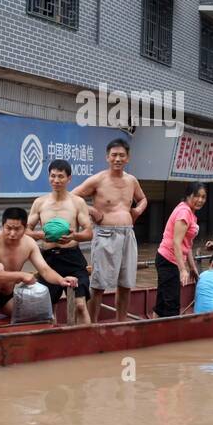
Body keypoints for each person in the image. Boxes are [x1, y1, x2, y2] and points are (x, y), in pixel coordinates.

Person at [72, 138, 147, 323]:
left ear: (128, 158)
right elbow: (72, 196)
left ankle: (120, 323)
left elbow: (143, 199)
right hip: (105, 235)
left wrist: (137, 210)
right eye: (114, 155)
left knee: (126, 284)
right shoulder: (98, 179)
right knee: (98, 284)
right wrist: (92, 211)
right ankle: (93, 324)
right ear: (107, 157)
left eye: (122, 155)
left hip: (128, 235)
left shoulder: (131, 181)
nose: (118, 159)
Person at [0, 207, 78, 315]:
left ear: (25, 228)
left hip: (5, 296)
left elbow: (45, 270)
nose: (12, 233)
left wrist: (61, 280)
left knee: (31, 315)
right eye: (8, 228)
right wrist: (21, 276)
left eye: (17, 229)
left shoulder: (29, 243)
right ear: (2, 226)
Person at [27, 159, 94, 323]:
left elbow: (89, 233)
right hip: (49, 259)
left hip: (72, 258)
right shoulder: (40, 202)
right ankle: (54, 343)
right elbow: (26, 230)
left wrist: (74, 236)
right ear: (49, 177)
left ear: (69, 179)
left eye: (61, 177)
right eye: (53, 176)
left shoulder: (77, 202)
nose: (56, 180)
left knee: (79, 304)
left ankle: (88, 341)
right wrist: (40, 236)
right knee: (49, 308)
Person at [154, 182, 206, 318]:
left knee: (162, 303)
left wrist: (192, 267)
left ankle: (155, 333)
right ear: (188, 196)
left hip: (169, 260)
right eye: (196, 196)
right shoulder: (184, 213)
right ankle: (170, 336)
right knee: (172, 305)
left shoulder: (190, 213)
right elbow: (176, 243)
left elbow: (186, 244)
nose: (200, 200)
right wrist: (183, 270)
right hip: (168, 260)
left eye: (203, 197)